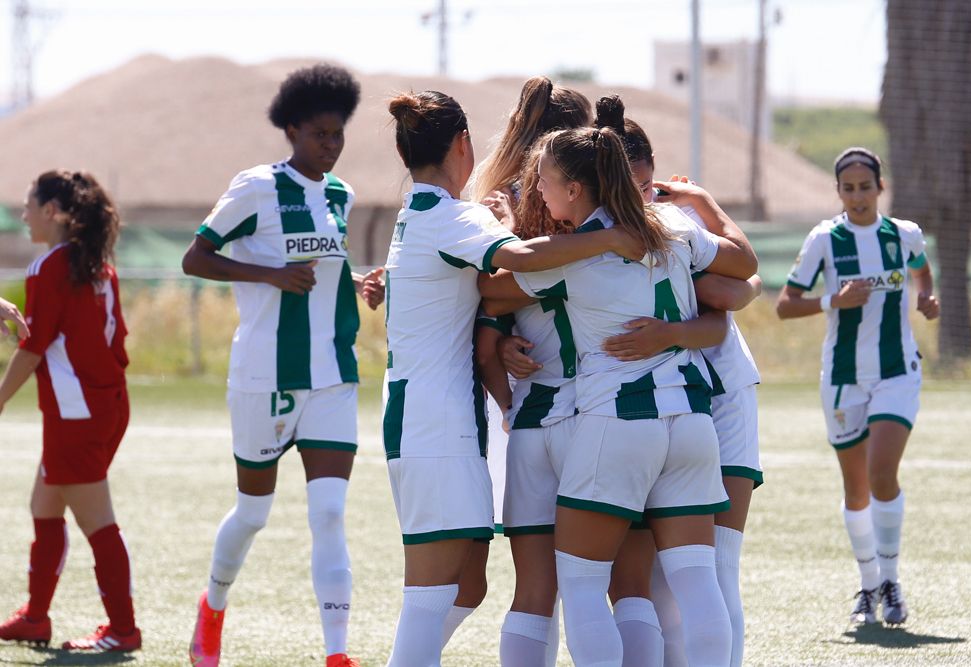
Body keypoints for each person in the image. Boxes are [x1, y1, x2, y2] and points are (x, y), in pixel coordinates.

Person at [479, 125, 757, 667]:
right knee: (698, 582)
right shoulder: (672, 223)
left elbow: (500, 275)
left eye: (545, 181)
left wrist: (509, 230)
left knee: (582, 587)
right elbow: (743, 268)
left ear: (577, 190)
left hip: (619, 423)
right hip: (691, 421)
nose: (537, 190)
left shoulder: (570, 254)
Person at [383, 89, 640, 667]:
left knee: (468, 585)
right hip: (432, 424)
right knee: (428, 595)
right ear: (461, 144)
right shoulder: (451, 217)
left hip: (436, 418)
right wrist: (612, 239)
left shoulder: (422, 214)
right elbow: (519, 260)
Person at [182, 64, 378, 667]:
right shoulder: (256, 188)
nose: (331, 145)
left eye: (338, 134)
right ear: (292, 130)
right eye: (320, 134)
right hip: (264, 378)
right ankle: (213, 608)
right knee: (253, 514)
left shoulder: (340, 195)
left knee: (328, 513)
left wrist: (360, 283)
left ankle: (337, 654)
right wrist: (267, 274)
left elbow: (327, 270)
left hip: (333, 377)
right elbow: (196, 259)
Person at [597, 96, 763, 667]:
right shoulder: (587, 229)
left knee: (716, 566)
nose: (638, 199)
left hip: (721, 395)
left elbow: (731, 288)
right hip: (653, 407)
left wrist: (706, 205)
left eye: (646, 187)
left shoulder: (674, 218)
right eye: (628, 186)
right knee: (663, 579)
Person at [776, 147, 939, 626]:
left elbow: (921, 270)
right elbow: (786, 305)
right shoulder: (824, 239)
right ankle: (868, 586)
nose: (857, 196)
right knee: (856, 487)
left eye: (865, 187)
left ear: (880, 188)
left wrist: (926, 296)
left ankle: (891, 581)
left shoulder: (903, 234)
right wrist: (835, 300)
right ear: (838, 192)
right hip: (843, 377)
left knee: (881, 472)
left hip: (897, 372)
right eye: (848, 188)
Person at [470, 75, 590, 666]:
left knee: (534, 590)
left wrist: (499, 336)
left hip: (528, 408)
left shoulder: (498, 200)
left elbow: (486, 297)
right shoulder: (586, 202)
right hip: (598, 408)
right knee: (608, 586)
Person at [0, 170, 139, 652]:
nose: (23, 214)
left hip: (76, 413)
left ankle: (123, 630)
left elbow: (35, 349)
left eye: (29, 205)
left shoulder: (50, 265)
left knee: (97, 520)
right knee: (44, 505)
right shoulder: (97, 262)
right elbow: (81, 339)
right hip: (104, 403)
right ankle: (35, 618)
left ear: (53, 212)